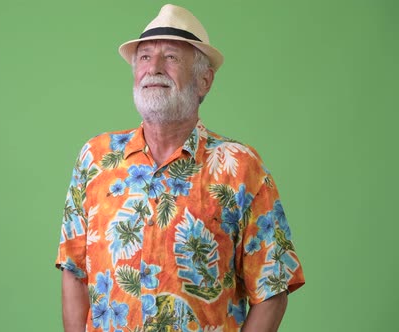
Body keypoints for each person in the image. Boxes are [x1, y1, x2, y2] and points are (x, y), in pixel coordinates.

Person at [55, 4, 305, 332]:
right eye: (144, 57)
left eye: (171, 57)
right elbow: (74, 271)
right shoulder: (95, 158)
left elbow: (273, 287)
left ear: (204, 80)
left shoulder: (240, 168)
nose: (154, 67)